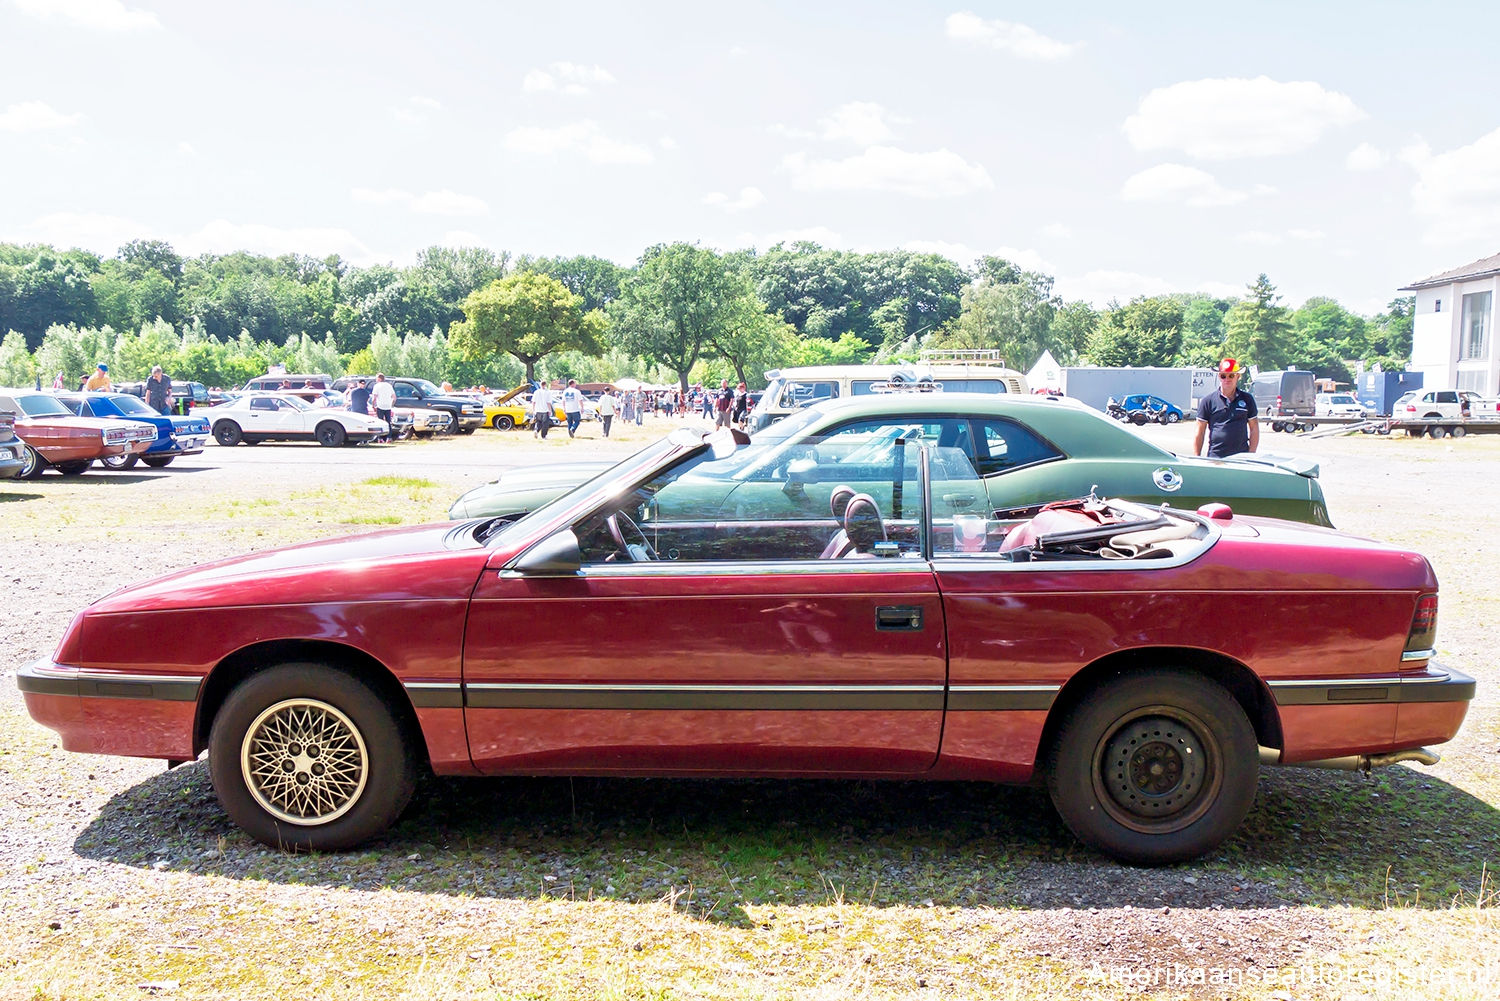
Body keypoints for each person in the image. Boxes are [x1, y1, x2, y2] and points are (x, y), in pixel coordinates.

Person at [1194, 358, 1259, 458]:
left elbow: (1254, 428)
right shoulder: (1208, 401)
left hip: (1241, 458)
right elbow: (1200, 431)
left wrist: (1251, 456)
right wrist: (1196, 457)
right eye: (1223, 376)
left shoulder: (1247, 399)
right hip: (1215, 457)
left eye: (1231, 375)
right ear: (1219, 376)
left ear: (1238, 376)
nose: (1227, 379)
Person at [370, 373, 396, 442]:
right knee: (388, 422)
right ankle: (389, 438)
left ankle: (380, 438)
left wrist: (373, 405)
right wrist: (391, 404)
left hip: (380, 406)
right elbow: (394, 397)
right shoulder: (389, 385)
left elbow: (374, 398)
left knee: (380, 422)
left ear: (379, 379)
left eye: (376, 378)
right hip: (388, 406)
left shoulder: (377, 386)